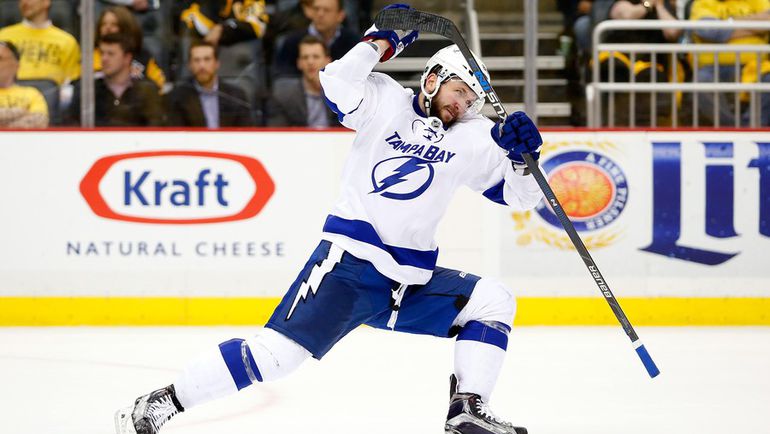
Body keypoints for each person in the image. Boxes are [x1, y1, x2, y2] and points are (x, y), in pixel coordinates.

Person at [114, 4, 543, 434]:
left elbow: (523, 198)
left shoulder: (475, 136)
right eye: (458, 93)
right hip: (349, 268)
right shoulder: (385, 99)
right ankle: (164, 400)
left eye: (471, 100)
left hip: (409, 282)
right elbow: (336, 82)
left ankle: (466, 408)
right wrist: (381, 40)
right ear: (432, 79)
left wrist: (524, 158)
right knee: (274, 357)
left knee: (493, 300)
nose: (463, 106)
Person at [690, 0, 770, 126]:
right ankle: (731, 129)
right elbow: (708, 31)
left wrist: (730, 22)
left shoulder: (759, 1)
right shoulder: (704, 2)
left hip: (755, 66)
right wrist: (756, 25)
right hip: (713, 67)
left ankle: (752, 129)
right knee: (701, 81)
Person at [68, 32, 164, 126]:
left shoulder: (147, 92)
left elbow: (157, 130)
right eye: (102, 53)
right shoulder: (87, 91)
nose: (104, 58)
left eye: (111, 54)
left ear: (127, 58)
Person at [166, 40, 254, 128]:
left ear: (216, 64)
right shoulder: (178, 97)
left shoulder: (236, 96)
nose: (202, 66)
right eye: (196, 60)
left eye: (207, 59)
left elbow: (245, 134)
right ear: (190, 65)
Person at [0, 0, 80, 86]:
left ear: (46, 2)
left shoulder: (67, 41)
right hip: (11, 96)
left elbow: (71, 80)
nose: (24, 2)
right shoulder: (4, 36)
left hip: (50, 95)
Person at [273, 0, 359, 77]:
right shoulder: (292, 42)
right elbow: (283, 77)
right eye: (316, 9)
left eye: (326, 10)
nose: (320, 14)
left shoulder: (354, 43)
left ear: (340, 15)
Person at [94, 5, 167, 92]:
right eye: (104, 24)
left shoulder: (143, 55)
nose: (108, 28)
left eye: (114, 25)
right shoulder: (92, 55)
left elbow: (159, 84)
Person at [268, 35, 336, 127]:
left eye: (316, 57)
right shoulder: (283, 95)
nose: (310, 62)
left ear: (328, 61)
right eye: (305, 57)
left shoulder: (339, 93)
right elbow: (277, 134)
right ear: (299, 63)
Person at [178, 0, 269, 47]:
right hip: (200, 63)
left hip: (235, 63)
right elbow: (189, 25)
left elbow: (258, 28)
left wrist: (222, 30)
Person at [0, 40, 47, 127]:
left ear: (16, 65)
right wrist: (21, 111)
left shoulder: (32, 93)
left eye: (0, 58)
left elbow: (39, 121)